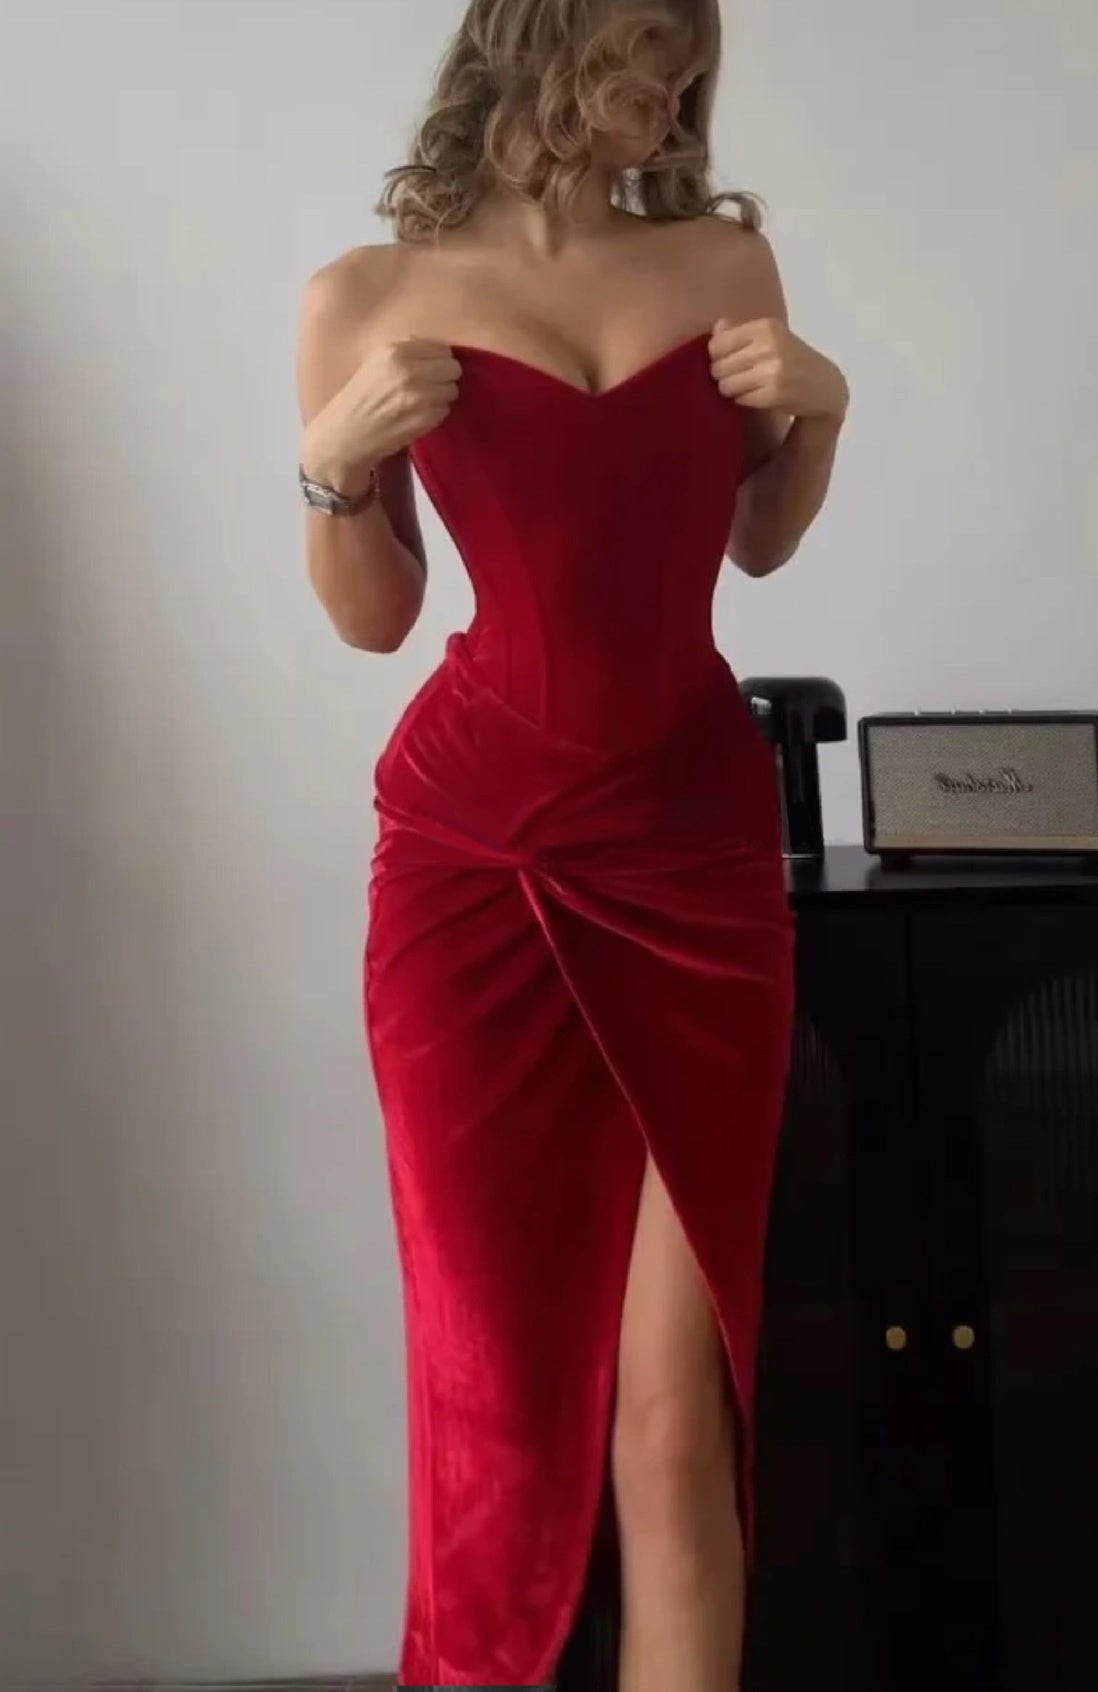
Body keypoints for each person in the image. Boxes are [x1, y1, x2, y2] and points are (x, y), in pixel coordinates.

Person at [294, 1, 847, 1686]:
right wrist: (329, 471)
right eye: (641, 50)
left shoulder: (721, 267)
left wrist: (819, 416)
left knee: (676, 1420)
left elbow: (755, 546)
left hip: (694, 856)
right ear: (537, 38)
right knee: (497, 1402)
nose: (669, 90)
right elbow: (375, 620)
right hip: (473, 865)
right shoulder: (365, 298)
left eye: (688, 63)